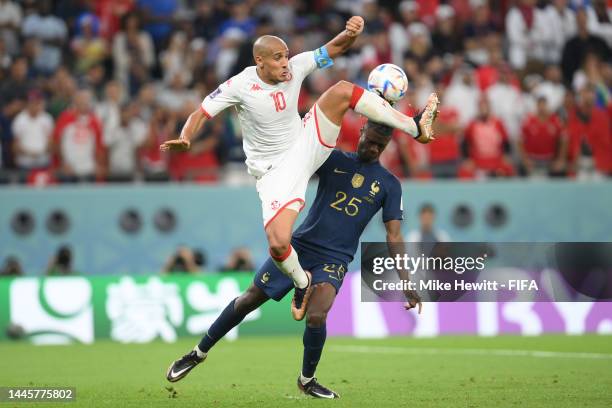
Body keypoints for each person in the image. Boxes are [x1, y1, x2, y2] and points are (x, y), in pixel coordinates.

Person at [160, 16, 439, 320]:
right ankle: (302, 282)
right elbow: (202, 112)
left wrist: (349, 33)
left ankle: (415, 126)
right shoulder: (239, 85)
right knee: (279, 244)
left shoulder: (296, 66)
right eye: (278, 58)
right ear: (260, 61)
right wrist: (186, 137)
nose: (285, 63)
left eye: (286, 56)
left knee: (343, 90)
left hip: (305, 144)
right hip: (274, 172)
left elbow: (332, 49)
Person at [165, 120, 423, 398]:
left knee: (316, 316)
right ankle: (197, 353)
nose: (372, 148)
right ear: (361, 131)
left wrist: (406, 280)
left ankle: (307, 380)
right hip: (301, 246)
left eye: (379, 145)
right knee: (249, 299)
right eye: (369, 140)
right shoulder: (332, 158)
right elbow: (297, 154)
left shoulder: (389, 184)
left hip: (335, 259)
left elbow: (394, 236)